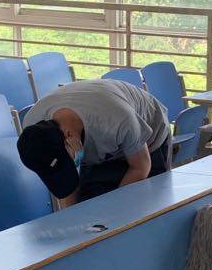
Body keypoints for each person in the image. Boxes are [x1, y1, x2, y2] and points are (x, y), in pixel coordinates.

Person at [17, 77, 172, 206]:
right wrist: (70, 219)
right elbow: (67, 183)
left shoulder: (116, 119)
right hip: (99, 139)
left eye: (69, 162)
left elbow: (140, 167)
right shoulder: (33, 134)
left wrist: (115, 211)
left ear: (69, 136)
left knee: (145, 207)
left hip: (148, 139)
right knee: (90, 209)